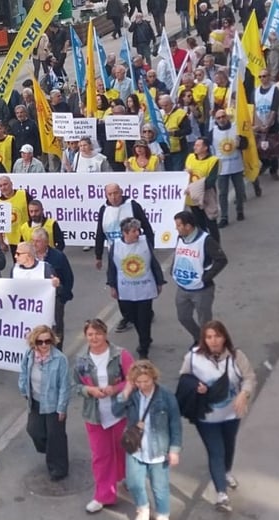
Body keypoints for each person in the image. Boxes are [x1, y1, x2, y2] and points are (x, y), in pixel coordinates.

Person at [178, 320, 256, 513]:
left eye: (217, 336)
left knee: (229, 447)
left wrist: (243, 394)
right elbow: (184, 378)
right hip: (206, 417)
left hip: (232, 414)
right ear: (204, 339)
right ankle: (221, 494)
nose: (213, 341)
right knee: (216, 451)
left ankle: (226, 472)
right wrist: (196, 386)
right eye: (209, 337)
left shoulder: (237, 356)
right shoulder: (193, 357)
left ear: (224, 337)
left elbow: (249, 377)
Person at [73, 319, 135, 513]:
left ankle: (128, 478)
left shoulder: (121, 354)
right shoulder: (81, 359)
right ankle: (103, 495)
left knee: (125, 449)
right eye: (90, 334)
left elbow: (134, 379)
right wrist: (89, 390)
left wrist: (115, 388)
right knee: (101, 456)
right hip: (94, 416)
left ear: (105, 334)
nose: (94, 338)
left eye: (98, 333)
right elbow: (75, 386)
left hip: (120, 413)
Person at [112, 361, 182, 520]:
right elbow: (116, 411)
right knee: (134, 483)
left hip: (158, 450)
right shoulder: (133, 395)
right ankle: (143, 508)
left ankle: (162, 517)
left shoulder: (165, 396)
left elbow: (175, 424)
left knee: (160, 487)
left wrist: (174, 449)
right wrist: (126, 391)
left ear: (153, 377)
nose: (142, 385)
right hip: (136, 449)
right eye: (139, 382)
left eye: (146, 381)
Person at [94, 183, 156, 335]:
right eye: (110, 194)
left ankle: (146, 310)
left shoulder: (132, 206)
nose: (114, 197)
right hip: (116, 253)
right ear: (106, 195)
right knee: (119, 285)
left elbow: (146, 227)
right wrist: (98, 255)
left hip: (136, 251)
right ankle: (127, 316)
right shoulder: (104, 209)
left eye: (116, 193)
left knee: (141, 280)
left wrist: (150, 247)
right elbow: (100, 232)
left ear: (121, 192)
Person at [106, 218, 165, 359]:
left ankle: (143, 347)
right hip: (125, 289)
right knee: (131, 316)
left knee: (143, 318)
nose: (137, 233)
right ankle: (145, 336)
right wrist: (112, 285)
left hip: (145, 287)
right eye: (134, 231)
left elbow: (153, 262)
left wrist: (159, 281)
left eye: (138, 230)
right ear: (125, 233)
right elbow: (112, 267)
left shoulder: (145, 243)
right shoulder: (116, 246)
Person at [18, 325, 70, 481]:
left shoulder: (60, 359)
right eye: (40, 342)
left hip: (53, 404)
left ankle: (58, 469)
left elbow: (64, 386)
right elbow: (23, 373)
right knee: (34, 430)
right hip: (35, 401)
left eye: (47, 341)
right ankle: (52, 450)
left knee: (55, 436)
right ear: (34, 343)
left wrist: (62, 408)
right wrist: (23, 390)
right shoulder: (29, 355)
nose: (44, 345)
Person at [172, 211, 228, 344]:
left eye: (179, 225)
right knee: (183, 317)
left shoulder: (206, 240)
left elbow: (221, 260)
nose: (176, 228)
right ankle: (200, 338)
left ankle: (207, 346)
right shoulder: (180, 237)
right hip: (183, 287)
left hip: (202, 290)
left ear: (188, 226)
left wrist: (206, 278)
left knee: (205, 322)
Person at [30, 228, 73, 348]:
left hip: (55, 300)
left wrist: (63, 297)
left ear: (46, 242)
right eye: (32, 241)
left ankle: (57, 355)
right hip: (35, 302)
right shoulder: (29, 256)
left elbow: (68, 278)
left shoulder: (58, 257)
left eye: (37, 241)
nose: (34, 244)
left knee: (55, 330)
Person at [208, 109, 248, 228]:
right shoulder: (212, 132)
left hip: (236, 165)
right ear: (215, 120)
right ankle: (224, 216)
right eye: (218, 118)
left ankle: (240, 210)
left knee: (240, 190)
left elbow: (246, 144)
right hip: (221, 168)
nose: (221, 119)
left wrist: (240, 143)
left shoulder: (236, 128)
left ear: (227, 117)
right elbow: (208, 148)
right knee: (222, 193)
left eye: (223, 116)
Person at [184, 137, 221, 243]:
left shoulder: (213, 161)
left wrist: (192, 188)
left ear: (205, 148)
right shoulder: (190, 157)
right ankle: (204, 247)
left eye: (198, 145)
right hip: (192, 199)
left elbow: (210, 181)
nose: (195, 147)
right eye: (195, 145)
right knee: (199, 225)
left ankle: (216, 249)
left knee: (211, 223)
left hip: (207, 197)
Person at [253, 68, 279, 183]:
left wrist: (268, 125)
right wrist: (260, 126)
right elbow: (254, 109)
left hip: (272, 124)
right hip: (259, 124)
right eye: (260, 77)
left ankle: (274, 171)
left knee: (273, 148)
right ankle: (265, 164)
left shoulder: (275, 90)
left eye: (264, 76)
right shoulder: (255, 91)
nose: (262, 79)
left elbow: (274, 109)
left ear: (269, 76)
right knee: (260, 148)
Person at [0, 175, 31, 256]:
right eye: (0, 186)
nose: (3, 187)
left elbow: (33, 210)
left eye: (5, 184)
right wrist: (1, 243)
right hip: (12, 239)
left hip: (28, 235)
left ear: (11, 184)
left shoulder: (23, 194)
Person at [159, 95, 190, 171]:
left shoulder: (181, 114)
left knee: (177, 171)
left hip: (179, 150)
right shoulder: (161, 114)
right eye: (162, 106)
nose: (164, 108)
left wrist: (174, 133)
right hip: (166, 150)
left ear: (171, 104)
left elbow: (188, 130)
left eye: (166, 105)